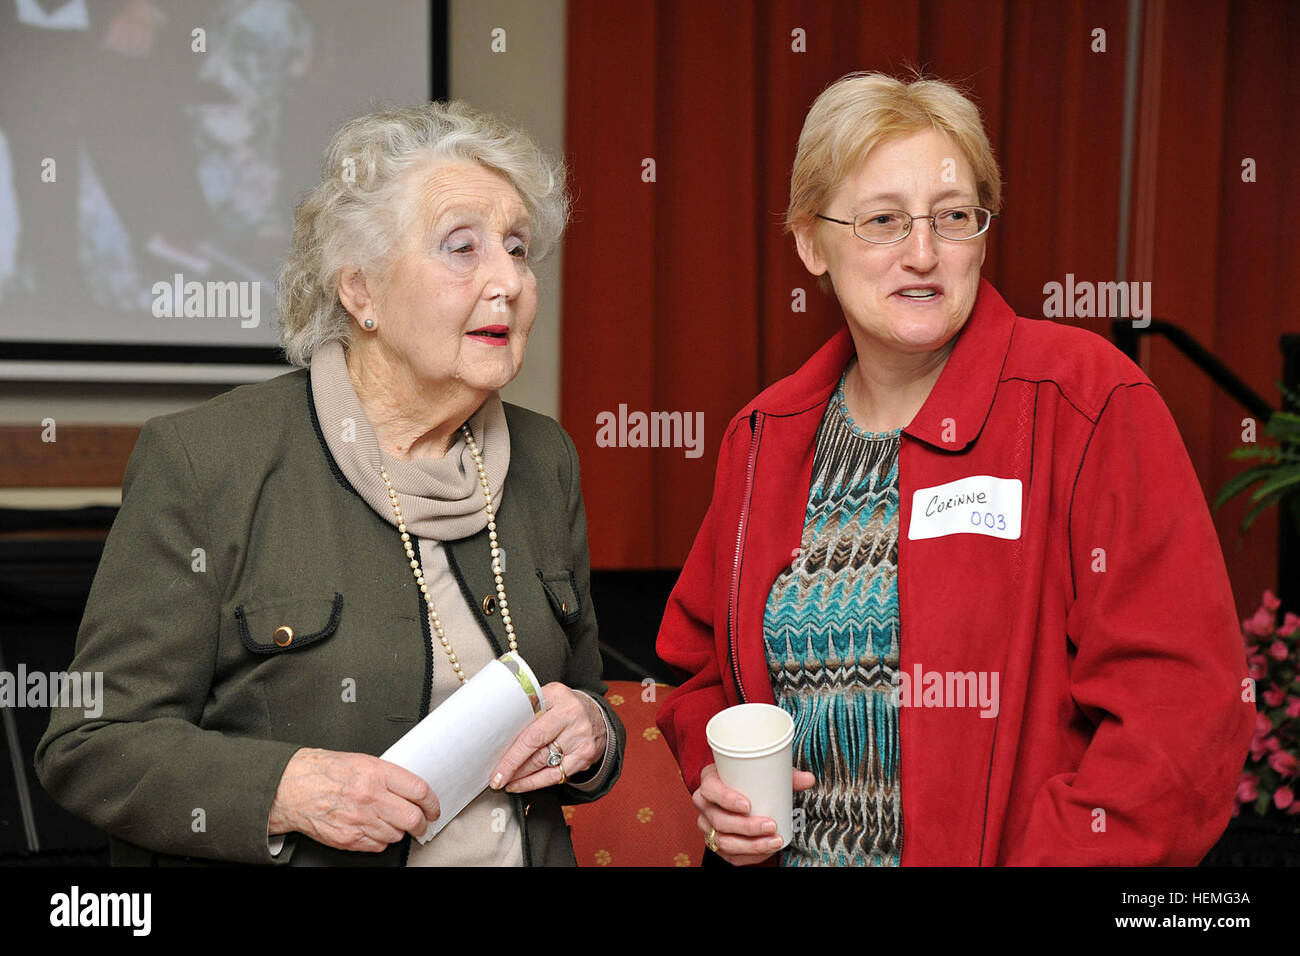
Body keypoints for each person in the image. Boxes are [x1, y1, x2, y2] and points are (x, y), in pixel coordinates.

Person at [654, 71, 1254, 866]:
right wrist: (718, 783)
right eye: (882, 221)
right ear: (810, 242)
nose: (924, 254)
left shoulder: (1086, 401)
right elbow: (701, 671)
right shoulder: (767, 435)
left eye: (953, 217)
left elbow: (1182, 710)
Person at [36, 100, 625, 866]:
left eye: (517, 248)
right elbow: (89, 744)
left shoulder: (546, 461)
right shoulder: (210, 460)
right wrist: (286, 788)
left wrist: (593, 729)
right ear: (361, 291)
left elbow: (586, 703)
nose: (507, 281)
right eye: (462, 248)